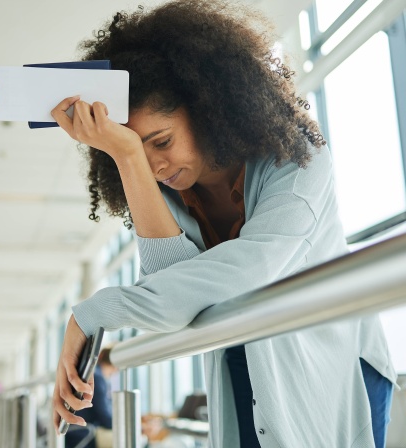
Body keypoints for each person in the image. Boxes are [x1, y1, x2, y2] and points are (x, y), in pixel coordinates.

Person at [51, 1, 397, 447]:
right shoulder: (160, 186)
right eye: (136, 152)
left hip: (331, 359)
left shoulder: (297, 163)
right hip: (240, 352)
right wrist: (127, 156)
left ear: (208, 108)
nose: (155, 165)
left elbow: (246, 272)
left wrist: (94, 313)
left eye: (162, 141)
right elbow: (173, 297)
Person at [65, 347, 116, 448]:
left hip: (74, 430)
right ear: (116, 367)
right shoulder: (98, 378)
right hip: (81, 434)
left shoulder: (93, 373)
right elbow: (105, 418)